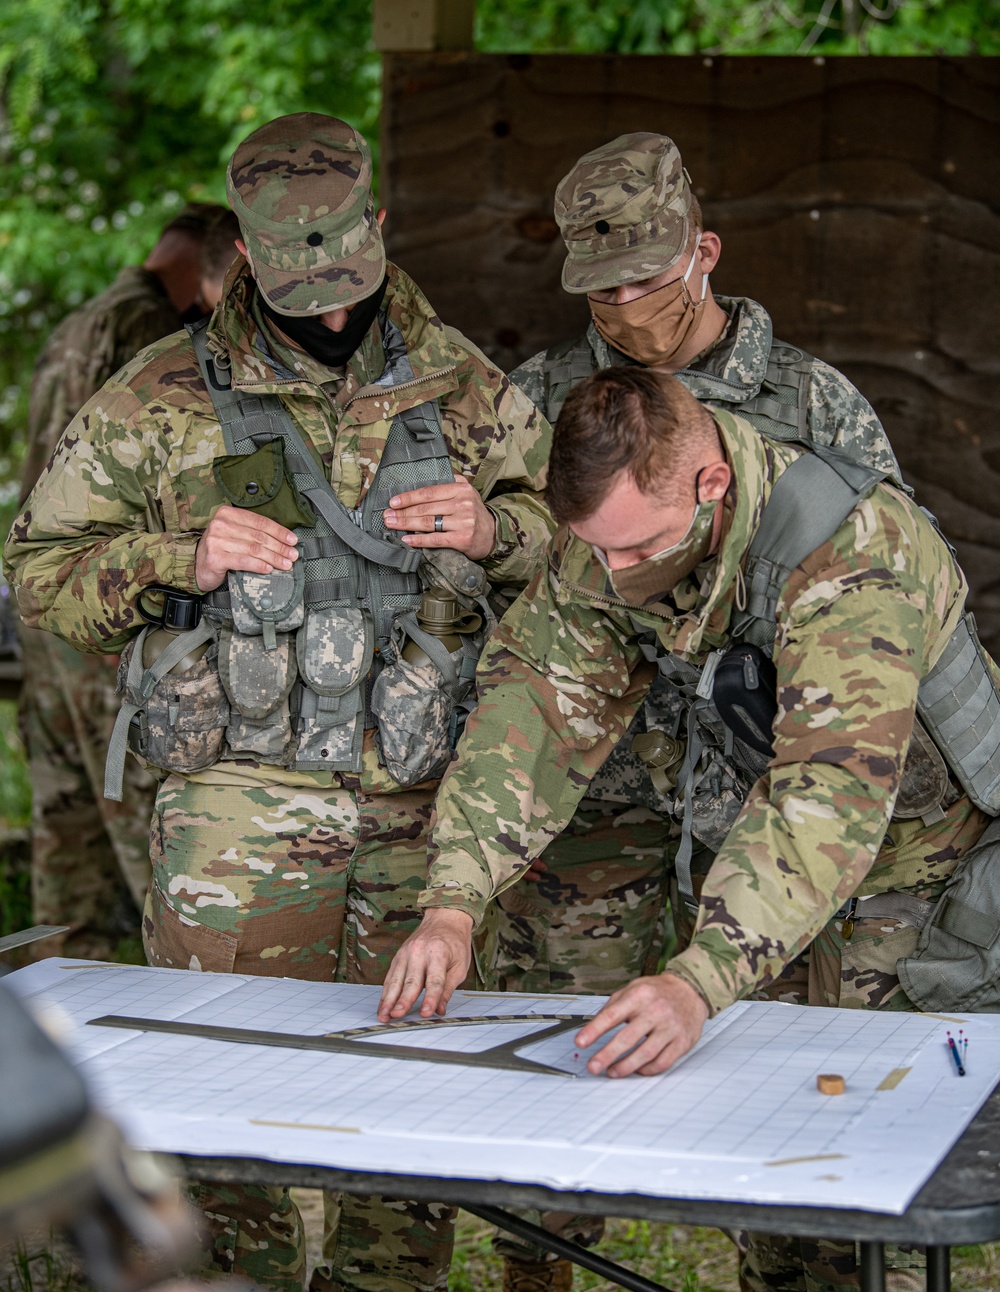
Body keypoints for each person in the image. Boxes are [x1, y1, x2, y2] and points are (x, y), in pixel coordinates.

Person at [4, 112, 552, 1292]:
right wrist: (172, 557)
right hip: (236, 819)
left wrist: (500, 529)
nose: (335, 310)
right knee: (220, 1117)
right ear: (242, 252)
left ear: (382, 228)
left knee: (414, 1129)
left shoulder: (467, 384)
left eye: (348, 273)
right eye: (299, 280)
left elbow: (594, 558)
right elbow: (39, 574)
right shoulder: (153, 393)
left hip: (425, 816)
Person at [378, 366, 1000, 1292]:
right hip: (765, 869)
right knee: (772, 1170)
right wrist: (455, 903)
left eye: (639, 552)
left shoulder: (852, 549)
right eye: (601, 554)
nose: (616, 577)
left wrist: (699, 980)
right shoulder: (616, 539)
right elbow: (536, 713)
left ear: (712, 485)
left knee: (881, 1189)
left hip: (913, 879)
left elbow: (825, 795)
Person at [493, 130, 907, 1292]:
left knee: (784, 1084)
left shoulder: (814, 404)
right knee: (551, 1077)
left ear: (704, 252)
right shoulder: (540, 401)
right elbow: (520, 627)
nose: (625, 309)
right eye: (600, 287)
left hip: (764, 800)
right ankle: (543, 1271)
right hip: (600, 807)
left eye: (648, 277)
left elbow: (870, 620)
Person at [17, 201, 229, 962]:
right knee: (152, 845)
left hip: (49, 628)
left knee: (68, 849)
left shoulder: (77, 324)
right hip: (107, 623)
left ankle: (55, 1028)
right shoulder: (152, 336)